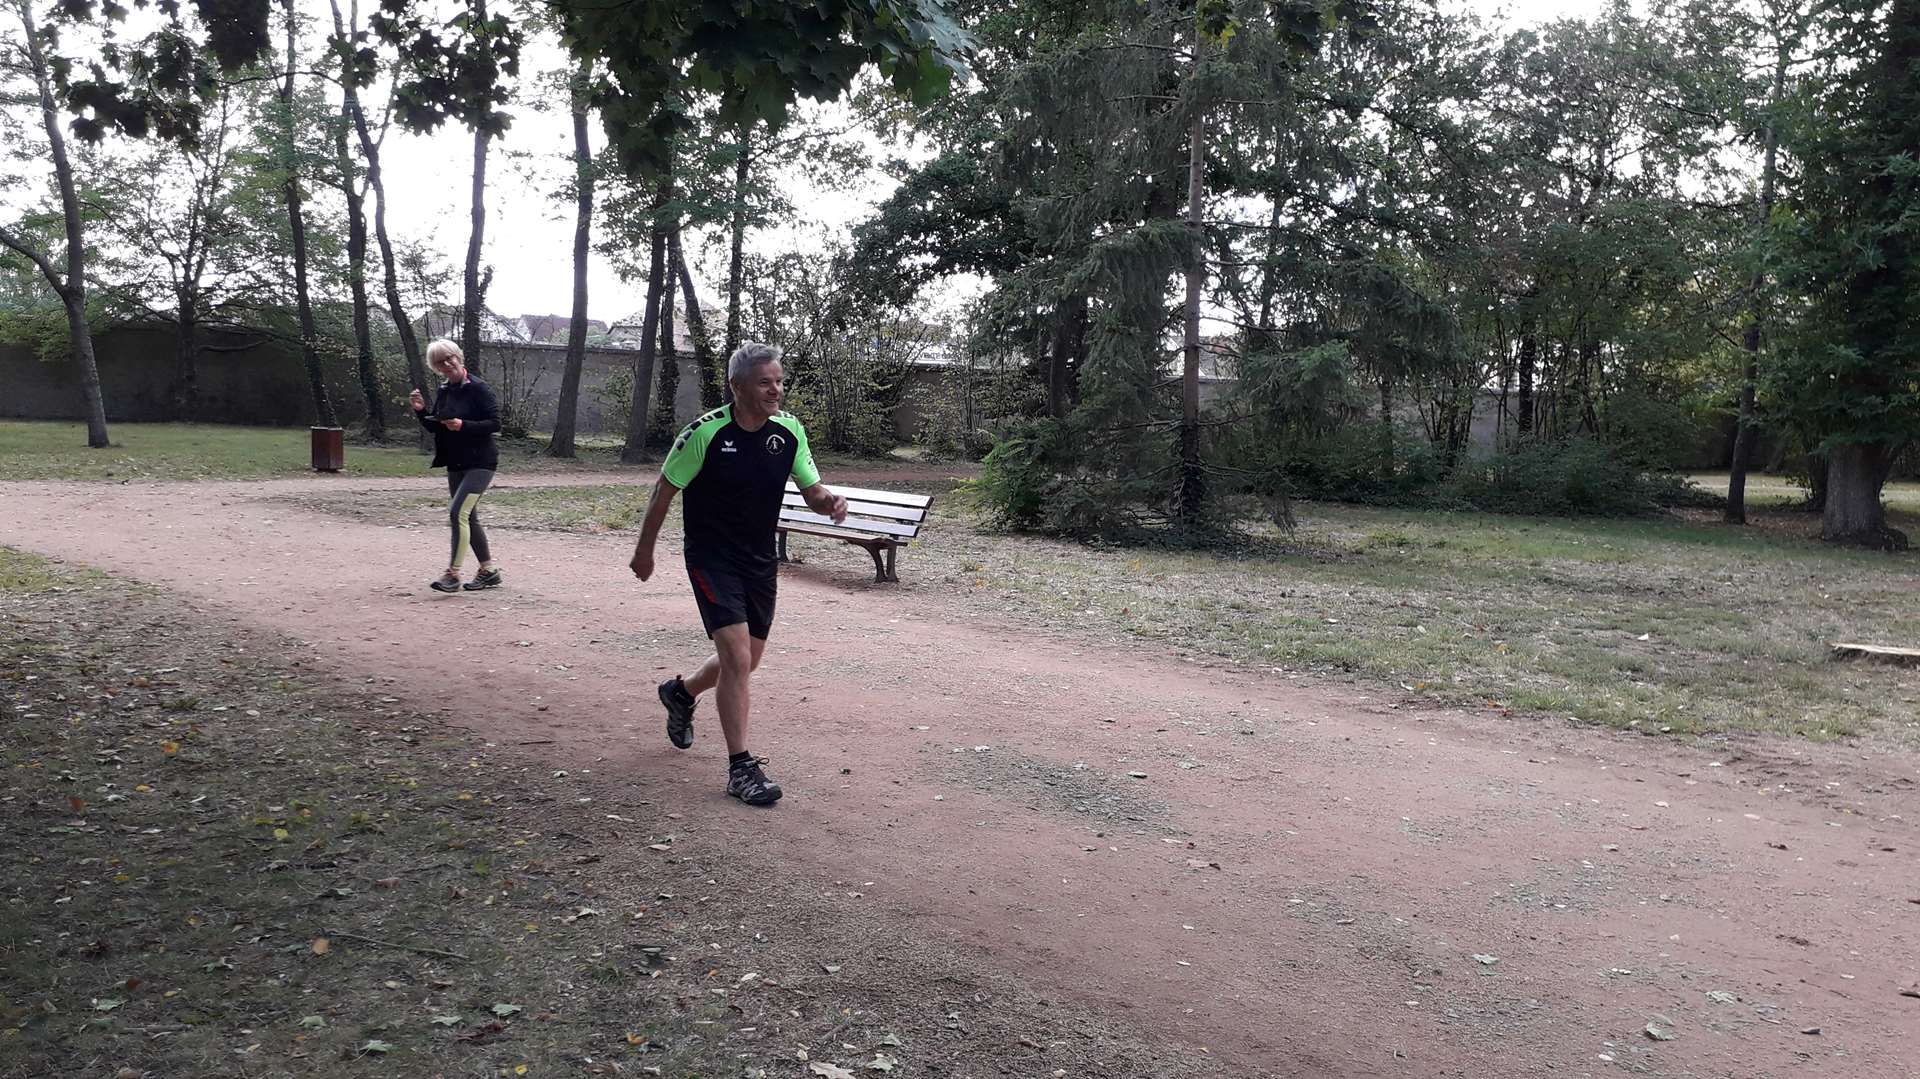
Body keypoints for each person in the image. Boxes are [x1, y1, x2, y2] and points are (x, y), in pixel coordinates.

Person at [628, 342, 847, 806]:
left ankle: (681, 693)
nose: (776, 390)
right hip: (711, 557)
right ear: (738, 386)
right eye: (765, 382)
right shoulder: (704, 433)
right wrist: (644, 551)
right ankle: (741, 768)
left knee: (746, 660)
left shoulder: (789, 432)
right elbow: (663, 491)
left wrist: (827, 502)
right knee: (736, 656)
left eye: (780, 381)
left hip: (759, 560)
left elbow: (810, 487)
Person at [410, 339, 504, 593]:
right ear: (436, 367)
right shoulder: (444, 390)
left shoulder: (479, 388)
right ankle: (489, 571)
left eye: (450, 357)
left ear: (458, 356)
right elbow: (439, 425)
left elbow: (495, 424)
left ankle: (452, 574)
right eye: (440, 362)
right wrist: (421, 412)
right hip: (456, 462)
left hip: (481, 462)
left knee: (457, 513)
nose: (447, 363)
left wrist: (464, 425)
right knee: (467, 516)